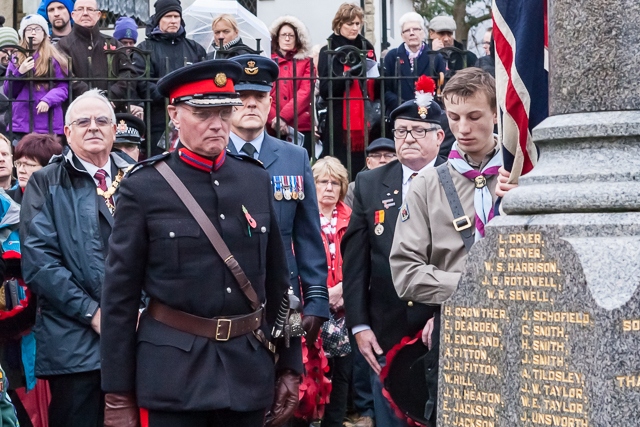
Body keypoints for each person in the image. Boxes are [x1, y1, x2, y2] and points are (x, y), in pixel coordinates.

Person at [100, 59, 301, 427]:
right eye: (203, 113)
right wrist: (117, 394)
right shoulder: (143, 187)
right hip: (174, 373)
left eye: (225, 112)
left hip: (247, 369)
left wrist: (290, 364)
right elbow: (119, 298)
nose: (217, 124)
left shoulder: (254, 180)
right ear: (174, 114)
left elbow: (279, 280)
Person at [389, 68, 502, 426]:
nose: (463, 129)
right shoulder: (426, 185)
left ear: (496, 114)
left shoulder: (525, 175)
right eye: (454, 118)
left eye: (474, 117)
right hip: (458, 334)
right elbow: (405, 273)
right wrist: (476, 289)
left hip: (523, 327)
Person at [19, 89, 135, 427]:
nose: (93, 127)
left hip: (139, 332)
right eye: (82, 121)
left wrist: (141, 310)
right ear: (67, 133)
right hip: (75, 342)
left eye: (102, 121)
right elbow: (40, 263)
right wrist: (93, 313)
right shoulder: (45, 182)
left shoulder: (141, 177)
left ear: (115, 130)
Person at [341, 77, 446, 427]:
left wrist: (446, 315)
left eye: (419, 131)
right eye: (402, 132)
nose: (408, 139)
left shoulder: (454, 180)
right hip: (385, 333)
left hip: (440, 330)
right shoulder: (371, 182)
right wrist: (358, 325)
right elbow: (356, 263)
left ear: (439, 137)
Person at [228, 54, 330, 347]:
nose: (251, 104)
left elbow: (308, 235)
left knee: (288, 378)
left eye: (259, 96)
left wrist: (316, 302)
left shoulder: (294, 156)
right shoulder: (213, 155)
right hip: (227, 298)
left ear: (270, 102)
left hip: (288, 298)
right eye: (241, 96)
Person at [306, 156, 351, 427]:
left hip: (345, 305)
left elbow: (359, 260)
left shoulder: (352, 217)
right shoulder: (305, 215)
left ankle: (334, 421)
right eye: (323, 182)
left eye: (335, 183)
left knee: (342, 372)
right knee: (310, 367)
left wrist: (342, 290)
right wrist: (322, 293)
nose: (329, 188)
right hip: (312, 303)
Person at [138, 0, 207, 153]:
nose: (173, 20)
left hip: (192, 119)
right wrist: (172, 94)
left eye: (176, 16)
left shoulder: (195, 48)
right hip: (158, 122)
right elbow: (142, 83)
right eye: (168, 16)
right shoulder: (145, 49)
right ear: (158, 20)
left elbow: (203, 81)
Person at [318, 3, 377, 174]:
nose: (355, 28)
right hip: (337, 120)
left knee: (363, 169)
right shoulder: (328, 50)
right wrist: (347, 78)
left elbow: (375, 83)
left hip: (367, 119)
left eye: (358, 24)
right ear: (339, 24)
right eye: (350, 24)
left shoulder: (367, 47)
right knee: (339, 168)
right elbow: (325, 89)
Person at [56, 0, 137, 112]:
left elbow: (129, 73)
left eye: (90, 9)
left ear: (98, 15)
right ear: (73, 15)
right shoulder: (63, 45)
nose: (85, 13)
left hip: (111, 110)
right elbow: (64, 75)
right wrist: (92, 96)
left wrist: (112, 95)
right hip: (77, 110)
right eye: (80, 9)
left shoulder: (112, 43)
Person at [4, 14, 68, 139]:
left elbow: (63, 87)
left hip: (48, 121)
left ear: (44, 34)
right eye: (29, 29)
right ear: (23, 34)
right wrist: (20, 72)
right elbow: (9, 91)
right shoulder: (16, 58)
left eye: (37, 29)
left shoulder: (55, 58)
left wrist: (48, 100)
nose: (33, 32)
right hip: (22, 121)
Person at [268, 16, 313, 156]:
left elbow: (305, 93)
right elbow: (265, 93)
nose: (287, 39)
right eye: (284, 35)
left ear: (297, 38)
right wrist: (274, 119)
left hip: (300, 125)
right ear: (277, 38)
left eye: (291, 35)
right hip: (272, 126)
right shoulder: (268, 62)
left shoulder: (306, 62)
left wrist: (283, 117)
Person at [383, 12, 445, 111]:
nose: (412, 33)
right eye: (407, 30)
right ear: (402, 35)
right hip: (400, 112)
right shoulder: (392, 56)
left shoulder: (436, 57)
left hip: (428, 113)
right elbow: (385, 91)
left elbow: (441, 89)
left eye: (416, 29)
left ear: (423, 32)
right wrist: (404, 105)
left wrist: (425, 105)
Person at [7, 133, 63, 203]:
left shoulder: (62, 202)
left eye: (30, 165)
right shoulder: (6, 202)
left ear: (49, 167)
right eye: (18, 163)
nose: (21, 170)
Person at [343, 137, 396, 208]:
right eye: (377, 156)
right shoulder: (354, 188)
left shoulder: (405, 183)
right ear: (368, 162)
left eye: (389, 156)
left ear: (398, 160)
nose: (382, 160)